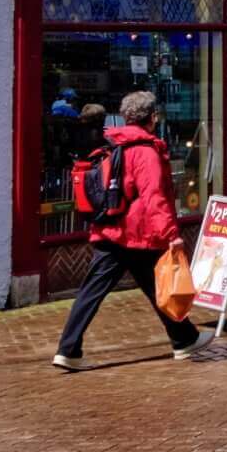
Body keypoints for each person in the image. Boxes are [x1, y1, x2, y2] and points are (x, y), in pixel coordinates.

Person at [52, 91, 202, 369]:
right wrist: (171, 234)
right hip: (136, 235)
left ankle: (184, 338)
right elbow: (155, 197)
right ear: (153, 118)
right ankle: (68, 349)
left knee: (104, 290)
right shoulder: (145, 151)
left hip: (111, 230)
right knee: (152, 286)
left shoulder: (114, 144)